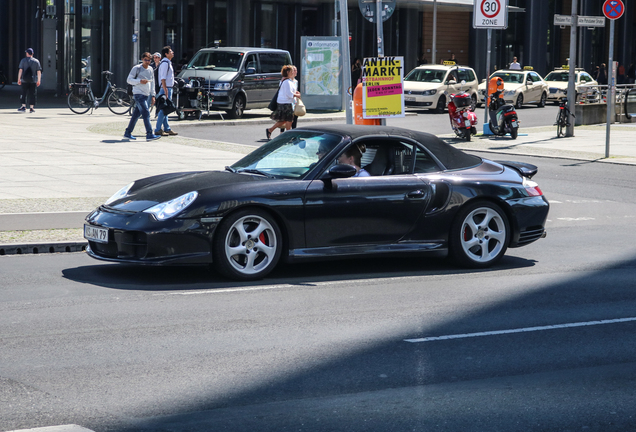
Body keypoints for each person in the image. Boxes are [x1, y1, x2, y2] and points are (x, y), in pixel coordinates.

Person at [124, 53, 161, 141]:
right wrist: (140, 81)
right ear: (142, 59)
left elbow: (152, 82)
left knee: (136, 115)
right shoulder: (137, 68)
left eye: (149, 60)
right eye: (146, 60)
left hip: (146, 94)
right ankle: (149, 133)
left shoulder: (151, 69)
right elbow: (129, 80)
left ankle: (128, 132)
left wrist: (153, 95)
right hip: (138, 94)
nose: (147, 62)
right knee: (146, 112)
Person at [266, 65, 300, 140]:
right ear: (288, 72)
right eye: (291, 71)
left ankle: (270, 130)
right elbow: (289, 94)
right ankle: (289, 136)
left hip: (285, 103)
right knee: (289, 120)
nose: (293, 72)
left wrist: (295, 93)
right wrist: (297, 95)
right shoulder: (287, 82)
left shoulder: (287, 81)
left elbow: (290, 92)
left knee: (285, 120)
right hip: (285, 104)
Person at [154, 46, 178, 137]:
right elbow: (163, 78)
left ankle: (167, 128)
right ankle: (158, 129)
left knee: (166, 109)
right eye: (170, 51)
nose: (172, 52)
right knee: (163, 109)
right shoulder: (165, 63)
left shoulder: (168, 63)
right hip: (166, 88)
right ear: (166, 54)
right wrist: (165, 90)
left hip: (168, 87)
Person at [17, 48, 42, 113]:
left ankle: (23, 106)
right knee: (32, 94)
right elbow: (38, 71)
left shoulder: (23, 60)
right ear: (32, 53)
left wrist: (19, 79)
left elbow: (20, 70)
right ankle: (31, 108)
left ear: (27, 53)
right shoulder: (36, 61)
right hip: (33, 80)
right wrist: (39, 80)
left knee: (23, 93)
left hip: (24, 80)